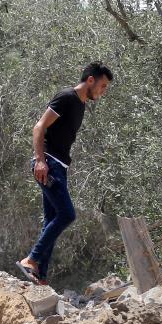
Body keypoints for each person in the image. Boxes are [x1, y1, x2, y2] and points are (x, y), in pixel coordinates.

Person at [17, 61, 113, 286]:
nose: (103, 91)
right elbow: (39, 127)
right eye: (103, 85)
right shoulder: (67, 97)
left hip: (59, 166)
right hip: (48, 163)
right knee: (67, 214)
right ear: (90, 80)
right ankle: (30, 259)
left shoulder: (80, 105)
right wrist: (40, 160)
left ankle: (39, 275)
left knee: (52, 219)